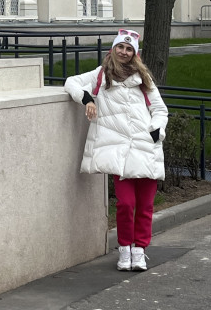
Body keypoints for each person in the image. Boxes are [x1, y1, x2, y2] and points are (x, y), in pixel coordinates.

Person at [64, 29, 168, 272]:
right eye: (120, 47)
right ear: (113, 49)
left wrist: (157, 131)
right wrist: (87, 99)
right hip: (119, 152)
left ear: (134, 54)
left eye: (129, 49)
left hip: (146, 148)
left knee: (145, 205)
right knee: (125, 203)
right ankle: (124, 249)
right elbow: (71, 82)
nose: (124, 52)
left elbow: (160, 110)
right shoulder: (101, 74)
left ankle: (139, 251)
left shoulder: (144, 79)